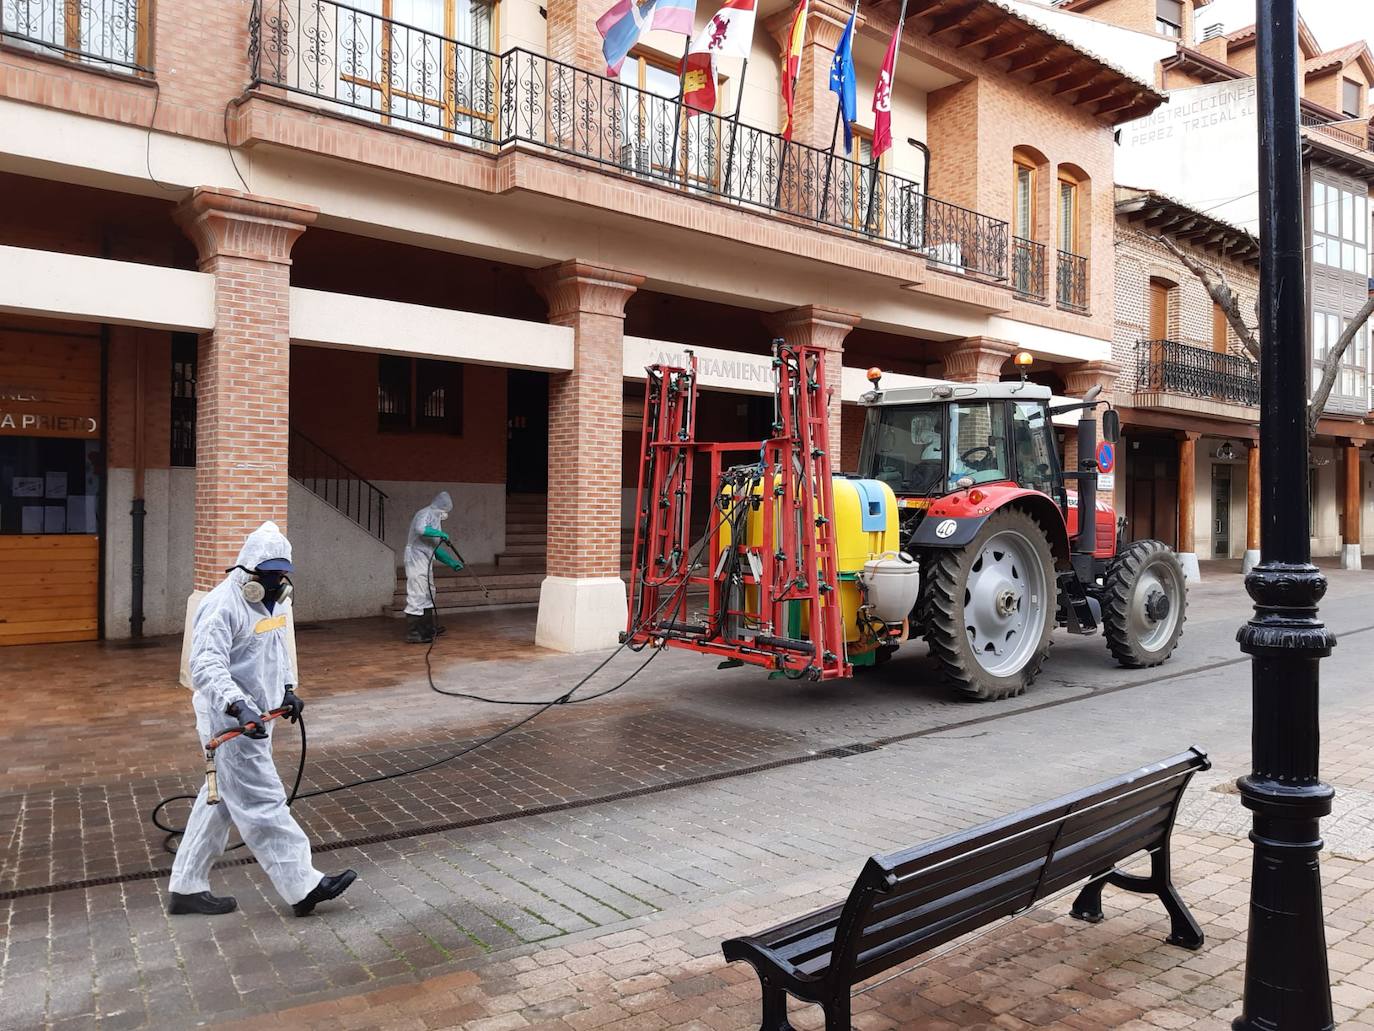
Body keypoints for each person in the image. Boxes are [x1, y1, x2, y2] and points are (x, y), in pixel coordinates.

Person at [168, 521, 356, 917]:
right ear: (248, 573)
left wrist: (287, 689)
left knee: (218, 802)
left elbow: (277, 648)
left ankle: (186, 886)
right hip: (230, 721)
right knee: (263, 800)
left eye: (281, 574)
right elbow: (205, 666)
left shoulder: (276, 603)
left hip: (260, 716)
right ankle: (302, 886)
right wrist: (238, 706)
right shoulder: (222, 604)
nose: (276, 582)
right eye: (269, 575)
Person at [403, 491, 464, 644]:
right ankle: (414, 632)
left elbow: (434, 547)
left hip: (425, 559)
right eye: (443, 511)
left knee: (429, 591)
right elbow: (420, 529)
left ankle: (427, 628)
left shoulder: (436, 519)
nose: (444, 515)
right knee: (417, 592)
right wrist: (439, 533)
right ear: (439, 507)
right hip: (415, 557)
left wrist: (451, 562)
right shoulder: (424, 513)